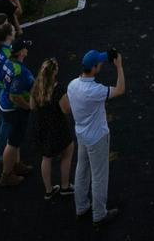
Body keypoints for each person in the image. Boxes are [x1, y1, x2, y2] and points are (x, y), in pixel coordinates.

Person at [64, 48, 124, 224]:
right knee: (99, 176)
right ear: (94, 68)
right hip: (97, 137)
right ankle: (99, 214)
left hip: (81, 134)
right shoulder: (95, 90)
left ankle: (81, 206)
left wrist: (106, 57)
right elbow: (120, 90)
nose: (101, 65)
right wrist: (119, 67)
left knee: (81, 170)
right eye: (99, 64)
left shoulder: (72, 85)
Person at [0, 24, 35, 187]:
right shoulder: (18, 70)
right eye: (25, 49)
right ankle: (6, 174)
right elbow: (15, 96)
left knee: (15, 139)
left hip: (5, 103)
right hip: (13, 108)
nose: (27, 51)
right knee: (13, 141)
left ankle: (15, 164)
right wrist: (27, 105)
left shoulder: (8, 61)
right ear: (21, 52)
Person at [31, 57, 75, 200]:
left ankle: (48, 190)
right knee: (68, 152)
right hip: (57, 127)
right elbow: (66, 110)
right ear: (54, 72)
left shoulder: (36, 88)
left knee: (46, 157)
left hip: (41, 128)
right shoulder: (58, 89)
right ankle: (65, 186)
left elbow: (32, 106)